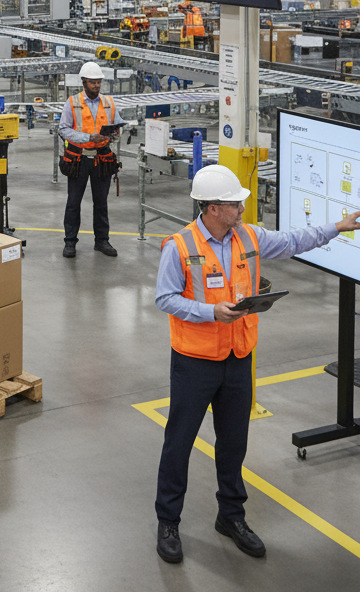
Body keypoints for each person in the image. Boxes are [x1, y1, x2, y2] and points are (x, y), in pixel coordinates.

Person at [154, 164, 360, 565]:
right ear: (212, 208)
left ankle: (231, 517)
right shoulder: (178, 246)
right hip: (195, 362)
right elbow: (165, 299)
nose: (242, 209)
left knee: (233, 444)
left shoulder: (247, 236)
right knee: (178, 444)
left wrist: (339, 225)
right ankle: (168, 522)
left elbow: (292, 240)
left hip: (238, 358)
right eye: (234, 204)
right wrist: (210, 311)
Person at [59, 60, 124, 257]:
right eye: (92, 82)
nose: (96, 85)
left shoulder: (109, 103)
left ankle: (102, 241)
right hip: (79, 159)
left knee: (101, 202)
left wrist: (113, 134)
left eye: (98, 82)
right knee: (73, 202)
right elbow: (63, 129)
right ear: (84, 82)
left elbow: (118, 126)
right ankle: (70, 242)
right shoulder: (72, 103)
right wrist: (87, 138)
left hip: (102, 159)